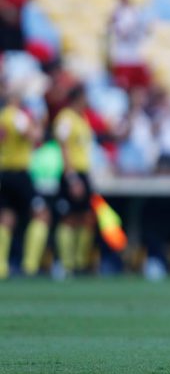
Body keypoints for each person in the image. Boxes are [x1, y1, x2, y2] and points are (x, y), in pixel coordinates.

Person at [0, 66, 50, 278]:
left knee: (6, 217)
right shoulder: (17, 117)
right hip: (19, 173)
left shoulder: (3, 116)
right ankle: (29, 265)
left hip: (4, 172)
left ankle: (2, 266)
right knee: (41, 214)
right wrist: (39, 120)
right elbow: (34, 136)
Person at [53, 84, 95, 277]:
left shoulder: (81, 118)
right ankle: (66, 263)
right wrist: (71, 178)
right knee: (69, 218)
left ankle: (80, 262)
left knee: (86, 217)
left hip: (83, 172)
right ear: (78, 97)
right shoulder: (65, 118)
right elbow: (63, 147)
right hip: (72, 173)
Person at [106, 0, 151, 91]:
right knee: (123, 87)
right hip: (123, 56)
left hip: (136, 54)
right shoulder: (116, 13)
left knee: (140, 86)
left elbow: (145, 30)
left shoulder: (135, 11)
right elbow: (115, 32)